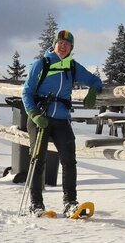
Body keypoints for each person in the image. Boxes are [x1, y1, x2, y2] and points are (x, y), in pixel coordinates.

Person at [21, 29, 103, 217]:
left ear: (71, 48)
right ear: (54, 44)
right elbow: (26, 92)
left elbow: (94, 80)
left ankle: (70, 203)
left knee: (69, 160)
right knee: (38, 159)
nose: (63, 46)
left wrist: (93, 91)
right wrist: (34, 114)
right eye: (60, 42)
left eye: (67, 44)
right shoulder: (41, 64)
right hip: (40, 116)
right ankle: (36, 204)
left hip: (61, 118)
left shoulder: (72, 66)